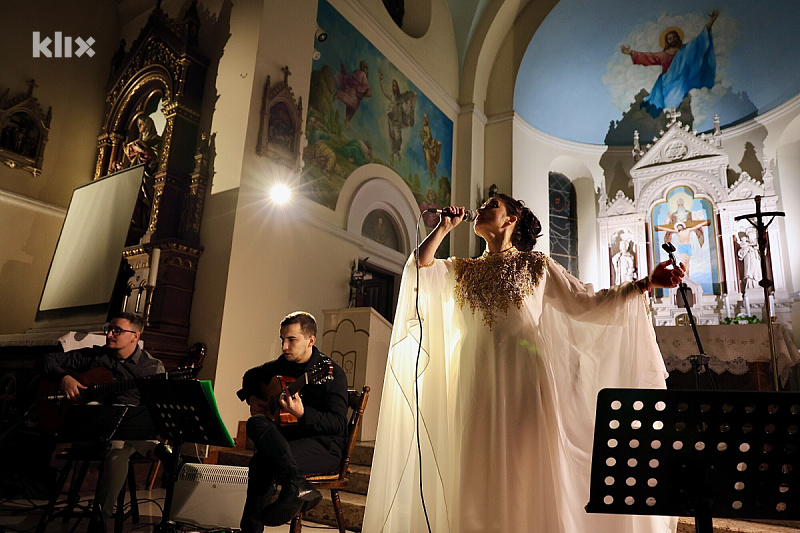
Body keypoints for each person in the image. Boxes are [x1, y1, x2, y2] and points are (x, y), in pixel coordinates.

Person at [362, 194, 685, 533]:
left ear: (510, 220)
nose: (482, 208)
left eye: (491, 205)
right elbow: (419, 268)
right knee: (474, 467)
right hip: (475, 381)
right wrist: (443, 228)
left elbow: (587, 302)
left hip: (525, 381)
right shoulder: (462, 269)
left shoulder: (537, 265)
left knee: (525, 470)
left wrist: (647, 283)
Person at [38, 312, 164, 533]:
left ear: (135, 336)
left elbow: (154, 411)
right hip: (93, 430)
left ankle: (100, 518)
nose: (109, 334)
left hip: (129, 432)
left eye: (117, 330)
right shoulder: (96, 357)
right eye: (109, 328)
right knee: (103, 420)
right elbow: (46, 359)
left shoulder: (152, 368)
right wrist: (63, 378)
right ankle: (162, 452)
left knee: (119, 445)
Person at [236, 312, 348, 532]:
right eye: (282, 340)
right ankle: (296, 483)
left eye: (291, 340)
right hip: (289, 443)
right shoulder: (281, 365)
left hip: (325, 447)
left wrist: (303, 413)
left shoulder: (331, 373)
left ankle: (251, 529)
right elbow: (250, 376)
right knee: (256, 422)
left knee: (262, 463)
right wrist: (252, 398)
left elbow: (338, 424)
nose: (284, 346)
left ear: (311, 341)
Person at [621, 9, 719, 117]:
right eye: (669, 39)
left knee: (679, 98)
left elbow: (700, 42)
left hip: (681, 82)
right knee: (667, 102)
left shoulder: (687, 50)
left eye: (673, 38)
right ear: (667, 42)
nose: (671, 40)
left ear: (678, 38)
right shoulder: (663, 54)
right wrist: (630, 52)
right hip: (667, 83)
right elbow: (648, 57)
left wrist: (711, 22)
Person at [378, 69, 416, 166]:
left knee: (398, 138)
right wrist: (381, 79)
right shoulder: (392, 97)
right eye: (393, 86)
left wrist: (411, 109)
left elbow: (407, 110)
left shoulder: (401, 99)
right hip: (391, 119)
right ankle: (392, 155)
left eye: (396, 86)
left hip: (398, 122)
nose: (394, 88)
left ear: (397, 87)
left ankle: (397, 151)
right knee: (392, 137)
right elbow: (385, 91)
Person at [333, 60, 372, 130]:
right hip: (353, 92)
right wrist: (365, 92)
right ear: (365, 68)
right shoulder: (363, 74)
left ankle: (347, 119)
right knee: (352, 103)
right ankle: (338, 96)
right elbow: (365, 86)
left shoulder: (357, 71)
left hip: (352, 90)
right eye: (366, 69)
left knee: (351, 105)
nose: (367, 71)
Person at [419, 113, 441, 184]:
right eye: (423, 119)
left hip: (429, 147)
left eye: (425, 119)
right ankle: (431, 177)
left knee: (429, 161)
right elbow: (422, 136)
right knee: (428, 162)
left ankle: (432, 177)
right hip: (425, 148)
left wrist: (425, 140)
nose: (424, 121)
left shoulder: (428, 128)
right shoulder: (423, 129)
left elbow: (429, 136)